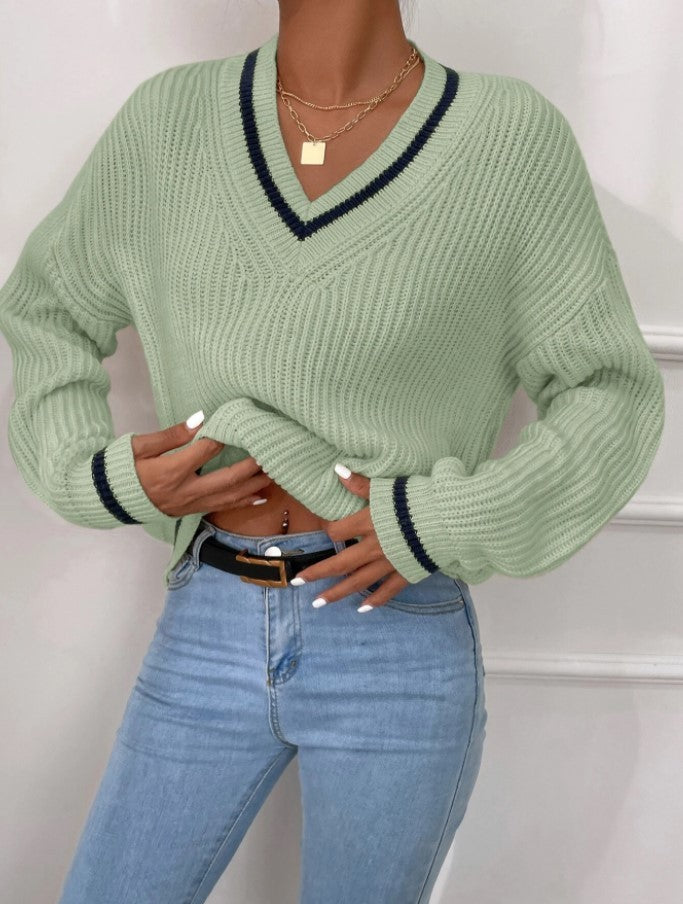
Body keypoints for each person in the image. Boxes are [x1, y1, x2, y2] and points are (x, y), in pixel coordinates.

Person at [0, 0, 665, 901]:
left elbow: (608, 389)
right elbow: (45, 309)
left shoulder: (507, 140)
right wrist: (99, 476)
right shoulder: (168, 123)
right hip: (209, 616)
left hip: (394, 631)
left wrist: (439, 520)